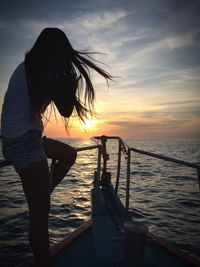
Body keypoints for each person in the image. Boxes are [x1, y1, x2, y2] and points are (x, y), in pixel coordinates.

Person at [1, 27, 112, 267]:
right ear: (55, 51)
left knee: (69, 154)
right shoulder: (44, 69)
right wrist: (70, 84)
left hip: (24, 137)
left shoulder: (31, 66)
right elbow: (65, 110)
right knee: (40, 217)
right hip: (22, 141)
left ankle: (43, 192)